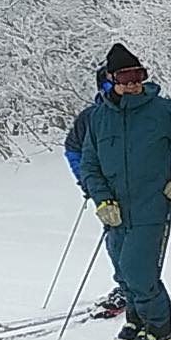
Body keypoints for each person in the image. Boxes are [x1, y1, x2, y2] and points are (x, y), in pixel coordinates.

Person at [79, 44, 171, 340]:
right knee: (123, 273)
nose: (133, 83)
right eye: (125, 77)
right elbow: (89, 164)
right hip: (116, 211)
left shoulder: (163, 110)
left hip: (152, 207)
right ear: (111, 79)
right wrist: (102, 200)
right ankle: (136, 321)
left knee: (139, 271)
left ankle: (160, 326)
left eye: (138, 75)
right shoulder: (98, 118)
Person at [65, 67, 125, 316]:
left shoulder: (147, 110)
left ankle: (142, 290)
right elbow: (73, 151)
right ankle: (125, 286)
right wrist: (87, 182)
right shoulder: (90, 117)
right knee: (115, 240)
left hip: (141, 190)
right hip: (106, 191)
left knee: (141, 244)